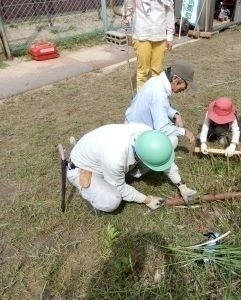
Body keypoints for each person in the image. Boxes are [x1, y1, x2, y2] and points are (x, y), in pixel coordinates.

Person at [125, 59, 199, 203]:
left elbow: (160, 107)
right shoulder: (159, 93)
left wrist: (175, 114)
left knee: (171, 138)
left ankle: (141, 165)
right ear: (176, 79)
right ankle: (140, 168)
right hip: (135, 135)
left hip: (133, 126)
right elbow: (162, 128)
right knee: (169, 142)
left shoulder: (156, 82)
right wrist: (185, 132)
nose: (185, 89)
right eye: (185, 84)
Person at [67, 124, 176, 214]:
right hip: (82, 166)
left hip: (97, 153)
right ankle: (87, 189)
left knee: (123, 172)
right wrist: (148, 200)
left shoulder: (147, 133)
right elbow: (119, 187)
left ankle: (113, 176)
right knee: (112, 200)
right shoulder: (116, 158)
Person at [121, 0, 175, 91]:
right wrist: (126, 19)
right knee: (143, 71)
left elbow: (169, 13)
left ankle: (154, 97)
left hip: (160, 36)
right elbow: (128, 10)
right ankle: (141, 101)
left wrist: (169, 36)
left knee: (157, 71)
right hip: (142, 35)